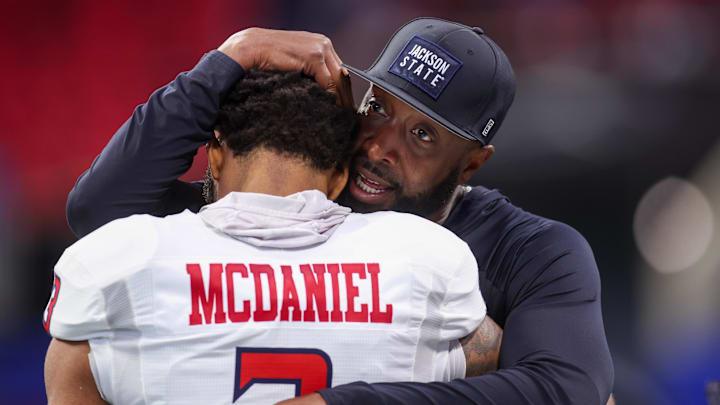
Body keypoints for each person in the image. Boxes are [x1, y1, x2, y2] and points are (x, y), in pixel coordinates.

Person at [65, 18, 614, 405]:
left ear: (471, 164)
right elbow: (100, 214)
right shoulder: (290, 207)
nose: (378, 146)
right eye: (378, 107)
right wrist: (228, 60)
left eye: (421, 134)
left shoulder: (528, 249)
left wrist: (341, 403)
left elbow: (570, 390)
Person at [44, 69, 495, 404]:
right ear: (339, 176)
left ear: (215, 157)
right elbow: (493, 363)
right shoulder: (425, 251)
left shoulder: (123, 254)